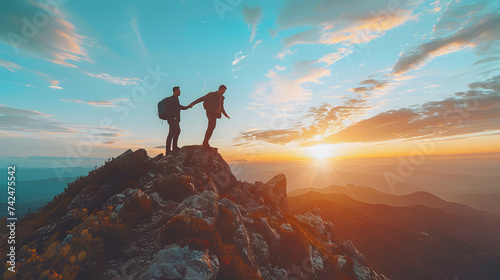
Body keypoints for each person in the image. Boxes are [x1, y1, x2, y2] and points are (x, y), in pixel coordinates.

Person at [189, 85, 230, 149]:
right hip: (210, 112)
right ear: (220, 89)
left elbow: (221, 107)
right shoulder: (212, 94)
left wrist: (225, 114)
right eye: (223, 90)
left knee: (212, 127)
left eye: (225, 91)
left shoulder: (222, 98)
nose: (224, 92)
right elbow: (202, 98)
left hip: (215, 114)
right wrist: (193, 103)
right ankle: (205, 143)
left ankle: (205, 142)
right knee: (211, 126)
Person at [165, 86, 190, 154]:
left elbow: (179, 107)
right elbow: (169, 109)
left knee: (177, 131)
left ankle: (174, 147)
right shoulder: (172, 99)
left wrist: (187, 107)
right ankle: (168, 150)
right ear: (175, 91)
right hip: (173, 119)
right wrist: (173, 117)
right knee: (171, 133)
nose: (180, 92)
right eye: (179, 91)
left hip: (175, 119)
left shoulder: (175, 99)